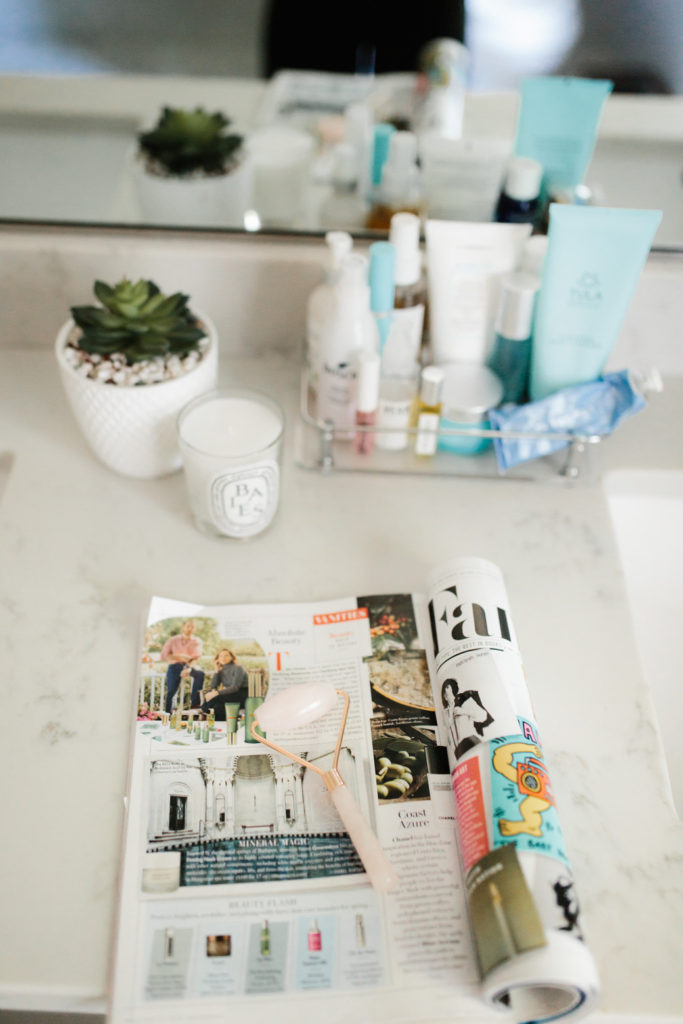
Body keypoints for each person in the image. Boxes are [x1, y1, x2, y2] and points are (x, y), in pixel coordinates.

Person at [441, 676, 494, 759]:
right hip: (457, 750)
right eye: (443, 690)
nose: (445, 691)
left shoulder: (464, 702)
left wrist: (464, 711)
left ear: (453, 688)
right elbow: (447, 725)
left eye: (447, 687)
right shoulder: (445, 712)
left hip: (470, 741)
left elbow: (483, 715)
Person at [161, 619, 205, 713]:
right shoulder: (173, 640)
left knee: (200, 673)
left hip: (189, 665)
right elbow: (164, 655)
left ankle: (195, 704)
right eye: (188, 626)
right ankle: (168, 712)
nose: (190, 629)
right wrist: (179, 656)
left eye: (192, 627)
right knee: (171, 690)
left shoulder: (197, 641)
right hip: (174, 666)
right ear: (183, 627)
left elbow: (195, 658)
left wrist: (188, 668)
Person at [200, 648, 249, 722]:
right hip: (231, 695)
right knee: (217, 705)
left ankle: (215, 720)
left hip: (243, 695)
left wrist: (216, 693)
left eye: (226, 655)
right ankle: (221, 723)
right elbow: (213, 686)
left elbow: (235, 687)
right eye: (221, 656)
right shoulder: (221, 670)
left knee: (215, 699)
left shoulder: (238, 668)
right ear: (217, 659)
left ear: (232, 657)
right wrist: (216, 671)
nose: (223, 658)